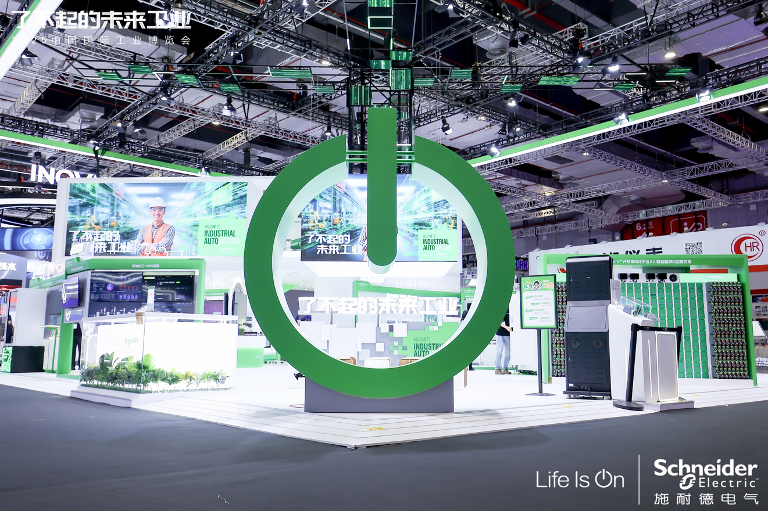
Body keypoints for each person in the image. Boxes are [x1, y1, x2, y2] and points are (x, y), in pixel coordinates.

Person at [495, 308, 512, 375]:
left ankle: (505, 368)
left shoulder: (511, 309)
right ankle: (497, 368)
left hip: (508, 334)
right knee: (499, 351)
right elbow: (499, 321)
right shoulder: (500, 309)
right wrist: (507, 327)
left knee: (508, 353)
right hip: (500, 333)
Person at [461, 303, 475, 371]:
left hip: (463, 341)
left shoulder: (461, 323)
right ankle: (470, 366)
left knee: (464, 354)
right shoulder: (469, 322)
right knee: (469, 354)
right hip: (469, 340)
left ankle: (465, 367)